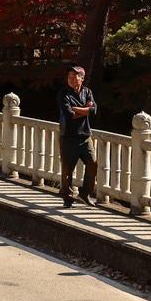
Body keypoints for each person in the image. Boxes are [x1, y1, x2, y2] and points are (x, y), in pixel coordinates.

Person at [58, 64, 98, 207]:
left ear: (82, 78)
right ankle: (67, 197)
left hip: (85, 136)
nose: (71, 79)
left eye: (74, 77)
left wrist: (76, 109)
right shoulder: (64, 93)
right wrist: (85, 110)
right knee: (68, 170)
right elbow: (68, 114)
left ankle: (84, 193)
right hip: (68, 137)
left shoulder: (87, 92)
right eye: (69, 77)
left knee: (93, 164)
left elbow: (94, 111)